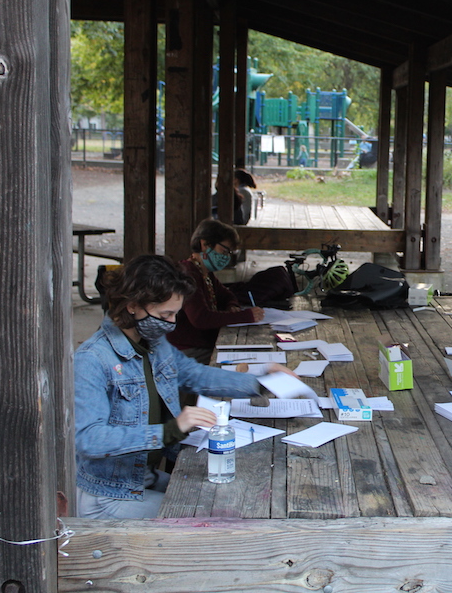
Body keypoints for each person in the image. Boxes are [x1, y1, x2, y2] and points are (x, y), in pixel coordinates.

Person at [74, 255, 293, 519]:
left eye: (175, 313)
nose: (171, 322)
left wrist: (261, 382)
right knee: (213, 520)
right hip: (109, 496)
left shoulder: (152, 343)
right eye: (165, 314)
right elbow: (88, 439)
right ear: (132, 306)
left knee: (232, 499)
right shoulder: (93, 358)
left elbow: (194, 374)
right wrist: (171, 429)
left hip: (145, 477)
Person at [166, 219, 265, 363]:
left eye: (229, 253)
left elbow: (227, 295)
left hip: (202, 344)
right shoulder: (188, 274)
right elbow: (201, 318)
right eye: (224, 251)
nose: (226, 257)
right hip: (186, 351)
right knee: (246, 360)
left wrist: (232, 306)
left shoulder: (205, 273)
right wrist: (245, 316)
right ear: (205, 244)